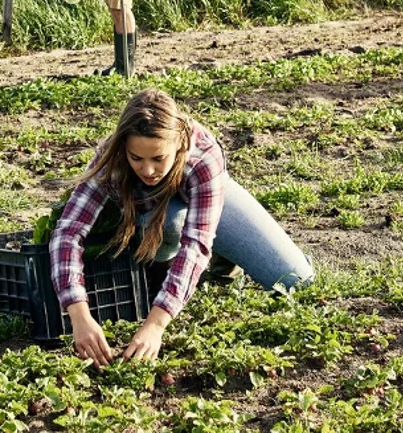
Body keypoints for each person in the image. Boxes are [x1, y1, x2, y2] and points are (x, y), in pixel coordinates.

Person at [49, 88, 315, 364]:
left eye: (158, 158)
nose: (148, 170)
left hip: (203, 201)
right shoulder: (112, 158)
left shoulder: (202, 156)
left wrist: (156, 325)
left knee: (296, 281)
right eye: (136, 159)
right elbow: (68, 232)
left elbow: (196, 244)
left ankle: (225, 262)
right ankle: (161, 270)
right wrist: (78, 314)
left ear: (178, 144)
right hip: (148, 215)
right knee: (171, 222)